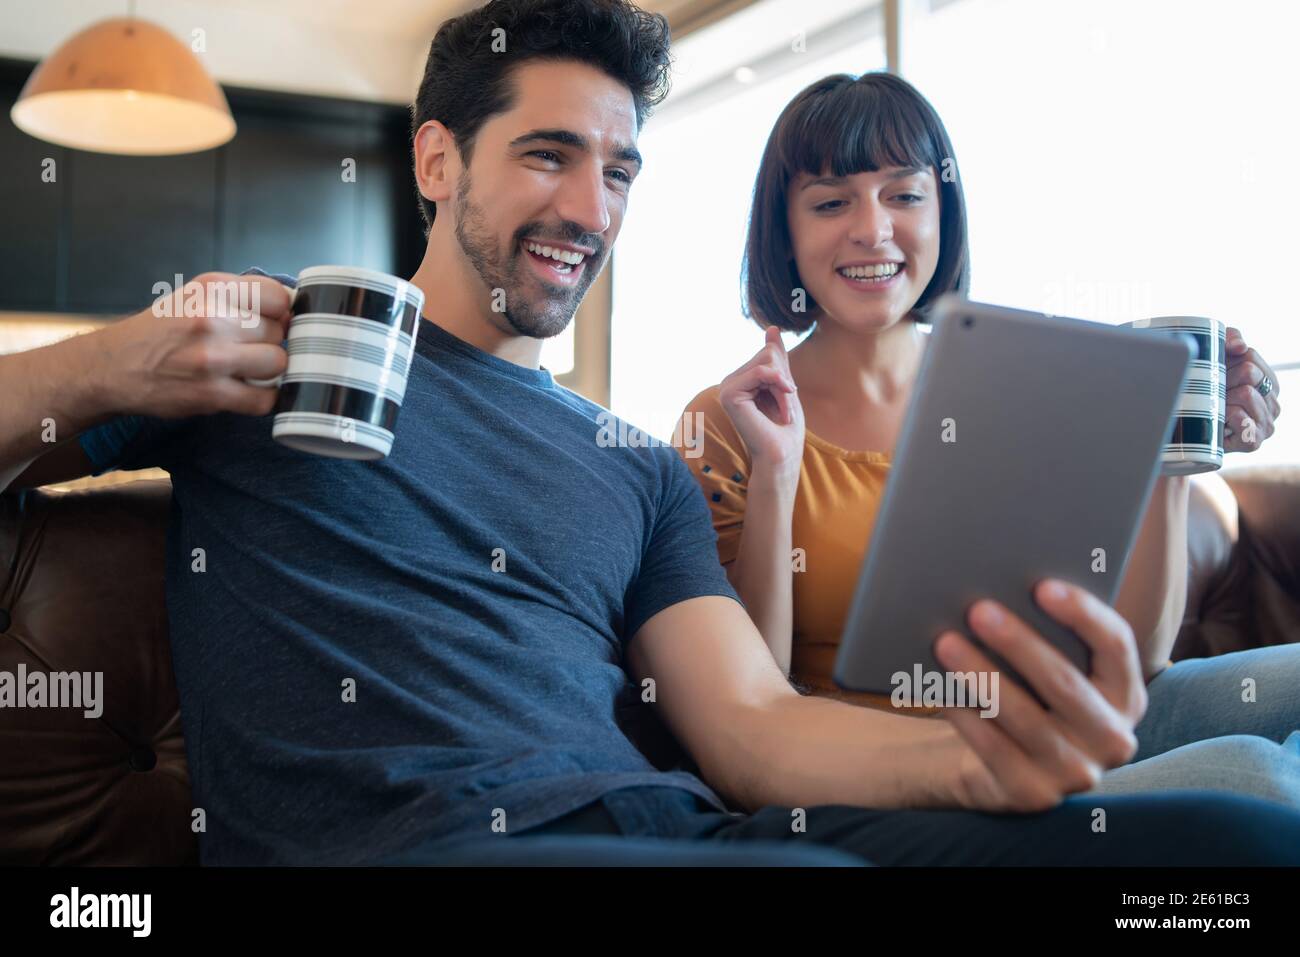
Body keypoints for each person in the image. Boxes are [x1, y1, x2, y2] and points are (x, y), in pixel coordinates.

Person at [2, 0, 1299, 865]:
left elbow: (753, 728)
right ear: (439, 159)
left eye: (618, 169)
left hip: (675, 833)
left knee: (1233, 843)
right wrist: (110, 357)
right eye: (549, 155)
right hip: (414, 846)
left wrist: (980, 760)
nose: (589, 204)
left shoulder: (632, 464)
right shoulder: (265, 352)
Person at [679, 70, 1299, 807]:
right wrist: (779, 476)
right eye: (830, 201)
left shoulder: (1018, 383)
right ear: (784, 232)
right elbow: (757, 699)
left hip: (1057, 722)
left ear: (944, 215)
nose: (873, 229)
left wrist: (1173, 449)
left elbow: (1136, 659)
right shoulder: (730, 418)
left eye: (905, 195)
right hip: (888, 771)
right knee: (1261, 780)